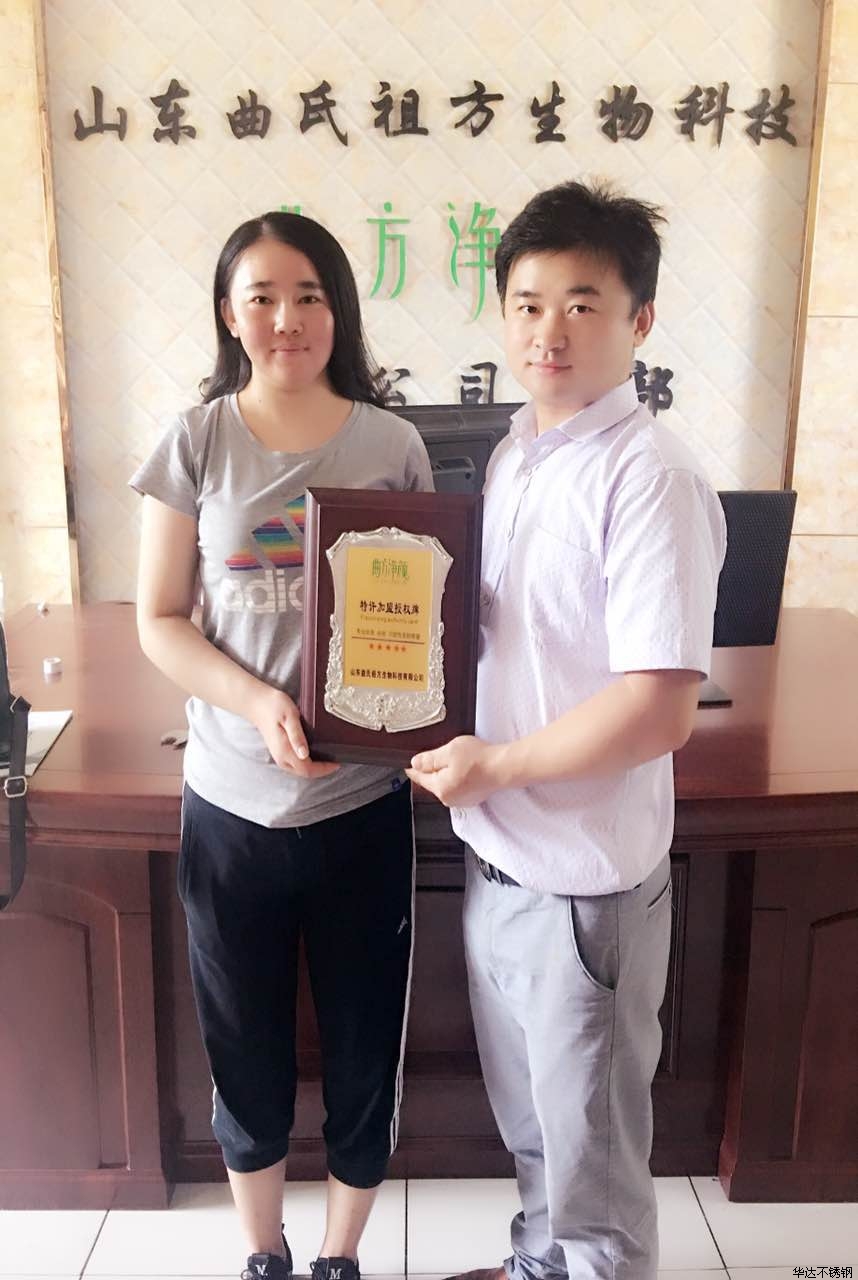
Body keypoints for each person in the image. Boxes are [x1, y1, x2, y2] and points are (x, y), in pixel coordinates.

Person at [407, 182, 727, 1280]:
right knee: (538, 1133)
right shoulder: (516, 451)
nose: (550, 330)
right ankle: (538, 1267)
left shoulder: (651, 477)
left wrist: (496, 764)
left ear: (641, 320)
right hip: (500, 859)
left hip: (582, 889)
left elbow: (658, 707)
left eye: (583, 304)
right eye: (529, 303)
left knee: (594, 1169)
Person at [132, 211, 432, 1280]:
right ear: (230, 313)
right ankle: (263, 1252)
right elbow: (159, 618)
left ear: (337, 307)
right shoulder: (195, 440)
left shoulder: (392, 446)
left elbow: (423, 619)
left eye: (308, 294)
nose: (286, 317)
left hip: (360, 806)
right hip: (231, 805)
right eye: (261, 295)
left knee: (363, 1051)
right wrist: (259, 701)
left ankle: (341, 1256)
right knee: (243, 1047)